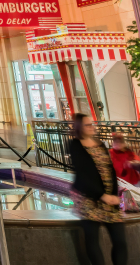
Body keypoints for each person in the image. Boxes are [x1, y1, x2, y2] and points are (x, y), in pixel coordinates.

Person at [68, 113, 127, 265]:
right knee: (93, 240)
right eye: (87, 125)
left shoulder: (100, 144)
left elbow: (109, 169)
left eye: (92, 124)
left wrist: (113, 195)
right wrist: (101, 195)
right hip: (88, 199)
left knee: (120, 240)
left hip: (108, 199)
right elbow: (82, 174)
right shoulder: (75, 145)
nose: (91, 127)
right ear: (80, 128)